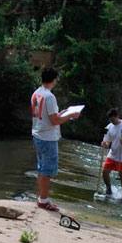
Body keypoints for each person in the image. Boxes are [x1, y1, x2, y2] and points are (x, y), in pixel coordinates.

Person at [31, 68, 79, 211]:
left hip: (38, 134)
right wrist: (71, 116)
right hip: (48, 137)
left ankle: (42, 197)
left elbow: (49, 115)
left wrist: (63, 112)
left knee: (41, 168)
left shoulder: (36, 93)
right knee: (47, 170)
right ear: (54, 80)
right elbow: (55, 120)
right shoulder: (50, 96)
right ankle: (44, 200)